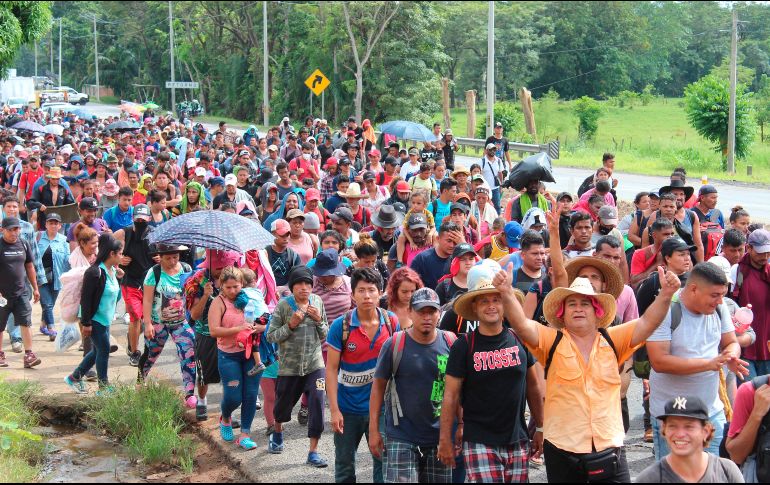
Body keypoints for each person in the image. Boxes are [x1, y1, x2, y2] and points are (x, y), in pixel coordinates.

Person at [491, 256, 682, 481]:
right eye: (572, 304)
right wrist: (505, 292)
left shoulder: (613, 339)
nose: (579, 309)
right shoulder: (550, 340)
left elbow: (647, 323)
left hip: (609, 447)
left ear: (597, 311)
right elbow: (522, 325)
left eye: (585, 303)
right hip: (562, 449)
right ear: (562, 312)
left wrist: (666, 294)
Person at [438, 260, 543, 483]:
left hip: (517, 438)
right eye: (484, 301)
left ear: (505, 304)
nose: (491, 305)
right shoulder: (463, 346)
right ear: (474, 307)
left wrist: (542, 427)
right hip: (479, 440)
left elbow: (534, 386)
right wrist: (445, 439)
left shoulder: (520, 339)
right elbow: (450, 395)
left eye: (497, 299)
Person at [647, 262, 748, 459]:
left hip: (711, 414)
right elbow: (659, 361)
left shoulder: (720, 309)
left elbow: (731, 342)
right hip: (673, 418)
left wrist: (731, 355)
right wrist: (709, 364)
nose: (720, 301)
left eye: (722, 295)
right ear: (693, 289)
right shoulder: (665, 310)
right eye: (714, 295)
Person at [369, 287, 454, 483]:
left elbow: (457, 390)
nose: (427, 317)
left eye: (431, 311)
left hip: (439, 436)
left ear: (439, 313)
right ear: (409, 313)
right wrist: (374, 430)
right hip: (401, 435)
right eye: (420, 311)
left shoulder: (450, 343)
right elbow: (378, 388)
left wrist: (459, 427)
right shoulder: (394, 344)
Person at [326, 268, 397, 483]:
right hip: (348, 409)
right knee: (345, 466)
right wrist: (335, 410)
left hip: (383, 409)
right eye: (361, 290)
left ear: (380, 292)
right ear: (352, 294)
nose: (367, 296)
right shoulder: (341, 326)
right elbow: (330, 369)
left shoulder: (392, 322)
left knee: (383, 465)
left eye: (372, 290)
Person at [266, 266, 329, 467]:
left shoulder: (317, 302)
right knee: (282, 406)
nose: (304, 288)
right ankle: (277, 433)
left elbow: (325, 333)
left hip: (315, 363)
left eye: (308, 284)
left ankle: (313, 451)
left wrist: (319, 320)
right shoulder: (284, 306)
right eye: (299, 284)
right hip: (289, 367)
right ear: (292, 287)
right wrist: (291, 324)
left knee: (318, 403)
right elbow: (271, 336)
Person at [208, 266, 264, 451]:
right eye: (228, 287)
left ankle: (245, 434)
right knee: (233, 397)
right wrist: (238, 329)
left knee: (250, 394)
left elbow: (264, 319)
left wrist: (257, 327)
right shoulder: (218, 303)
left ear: (242, 285)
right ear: (221, 286)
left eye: (236, 287)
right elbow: (214, 331)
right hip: (228, 355)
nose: (233, 291)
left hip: (249, 352)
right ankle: (225, 418)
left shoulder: (247, 299)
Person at [138, 243, 197, 408]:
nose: (172, 261)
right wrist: (147, 323)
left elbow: (190, 292)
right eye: (168, 258)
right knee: (151, 353)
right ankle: (140, 380)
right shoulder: (154, 273)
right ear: (160, 258)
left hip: (180, 322)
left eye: (175, 257)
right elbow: (148, 300)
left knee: (189, 353)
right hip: (158, 323)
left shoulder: (186, 269)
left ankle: (190, 394)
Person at [185, 249, 242, 421]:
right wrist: (206, 295)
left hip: (229, 334)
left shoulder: (234, 278)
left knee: (230, 374)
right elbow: (194, 315)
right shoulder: (196, 281)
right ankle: (201, 401)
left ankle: (227, 414)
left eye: (227, 266)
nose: (224, 270)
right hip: (206, 334)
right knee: (204, 374)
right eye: (220, 267)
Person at [63, 234, 123, 393]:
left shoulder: (111, 271)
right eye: (120, 253)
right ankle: (103, 387)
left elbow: (116, 296)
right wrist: (86, 323)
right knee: (103, 350)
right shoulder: (95, 272)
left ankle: (74, 377)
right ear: (112, 254)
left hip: (105, 320)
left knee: (97, 351)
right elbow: (86, 299)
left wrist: (120, 279)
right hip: (95, 320)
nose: (122, 257)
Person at [637, 396, 744, 483]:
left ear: (706, 431)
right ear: (664, 429)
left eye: (689, 426)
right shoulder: (649, 478)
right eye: (672, 426)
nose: (680, 434)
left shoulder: (726, 471)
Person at [0, 217, 41, 368]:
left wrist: (35, 288)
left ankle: (29, 355)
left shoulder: (24, 243)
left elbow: (30, 266)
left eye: (16, 229)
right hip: (2, 294)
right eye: (10, 229)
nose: (13, 232)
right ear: (2, 230)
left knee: (26, 322)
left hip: (22, 291)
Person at [731, 229, 770, 380]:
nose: (765, 257)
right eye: (761, 253)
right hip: (744, 343)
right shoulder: (738, 271)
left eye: (768, 253)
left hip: (766, 342)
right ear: (749, 248)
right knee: (749, 393)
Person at [36, 212, 70, 340]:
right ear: (46, 224)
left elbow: (67, 259)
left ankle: (43, 324)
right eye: (51, 223)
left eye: (56, 223)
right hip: (40, 276)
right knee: (47, 304)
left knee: (49, 303)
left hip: (57, 277)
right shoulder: (37, 237)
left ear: (60, 225)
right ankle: (51, 328)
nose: (53, 225)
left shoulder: (64, 240)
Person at [410, 221, 462, 290]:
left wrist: (463, 244)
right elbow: (411, 285)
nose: (452, 245)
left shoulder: (461, 259)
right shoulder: (421, 259)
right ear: (438, 239)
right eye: (449, 241)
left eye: (455, 242)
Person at [312, 248, 353, 325]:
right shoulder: (311, 283)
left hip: (342, 331)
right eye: (320, 273)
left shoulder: (348, 283)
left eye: (327, 274)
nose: (323, 276)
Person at [383, 267, 424, 331]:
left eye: (413, 291)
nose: (409, 296)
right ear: (395, 290)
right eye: (404, 292)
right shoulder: (383, 303)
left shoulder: (422, 305)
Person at [266, 219, 302, 289]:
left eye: (287, 235)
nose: (285, 238)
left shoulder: (294, 256)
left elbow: (297, 279)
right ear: (273, 234)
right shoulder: (264, 254)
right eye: (282, 235)